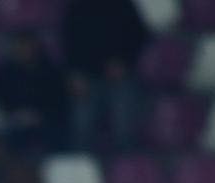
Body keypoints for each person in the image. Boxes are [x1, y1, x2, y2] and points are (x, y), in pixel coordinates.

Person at [61, 0, 150, 150]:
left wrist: (124, 63)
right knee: (81, 128)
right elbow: (68, 42)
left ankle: (126, 171)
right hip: (86, 76)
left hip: (119, 76)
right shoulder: (77, 6)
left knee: (125, 126)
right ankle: (82, 170)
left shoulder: (123, 5)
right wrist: (75, 74)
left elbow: (139, 35)